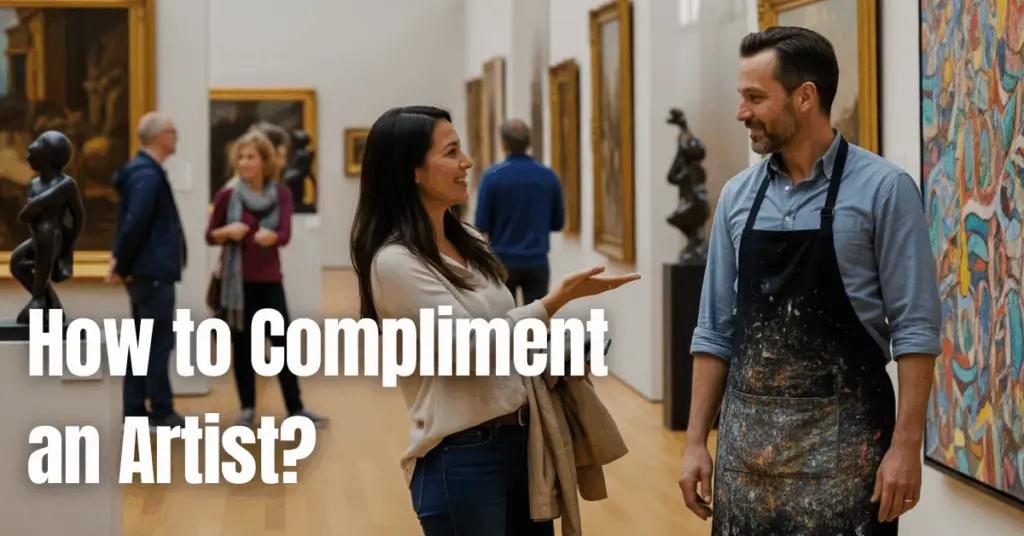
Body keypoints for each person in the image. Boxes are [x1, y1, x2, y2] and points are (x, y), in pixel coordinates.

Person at [678, 26, 941, 535]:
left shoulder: (884, 191)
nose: (741, 113)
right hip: (746, 460)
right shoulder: (736, 197)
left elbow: (916, 330)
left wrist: (907, 447)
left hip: (848, 459)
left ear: (804, 98)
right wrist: (694, 442)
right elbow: (713, 330)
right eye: (741, 97)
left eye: (756, 97)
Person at [349, 106, 639, 535]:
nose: (466, 162)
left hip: (522, 444)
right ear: (411, 170)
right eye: (451, 151)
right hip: (462, 458)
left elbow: (501, 330)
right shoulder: (395, 262)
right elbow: (466, 349)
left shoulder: (468, 243)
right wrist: (552, 303)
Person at [205, 130, 327, 428]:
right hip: (237, 287)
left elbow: (285, 235)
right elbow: (210, 235)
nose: (246, 163)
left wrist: (272, 237)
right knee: (244, 347)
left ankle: (296, 408)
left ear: (265, 161)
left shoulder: (280, 194)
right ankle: (247, 409)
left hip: (270, 282)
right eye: (242, 157)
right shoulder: (227, 196)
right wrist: (227, 232)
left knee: (283, 345)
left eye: (252, 157)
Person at [108, 111, 187, 429]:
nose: (176, 136)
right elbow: (134, 223)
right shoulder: (148, 175)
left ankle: (135, 409)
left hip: (145, 270)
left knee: (141, 341)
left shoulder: (141, 171)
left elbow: (132, 224)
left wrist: (121, 264)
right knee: (156, 342)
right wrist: (121, 264)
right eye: (173, 130)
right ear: (160, 136)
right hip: (152, 270)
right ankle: (161, 410)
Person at [474, 119, 565, 305]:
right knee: (537, 323)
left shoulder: (492, 177)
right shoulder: (548, 177)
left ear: (503, 144)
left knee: (505, 323)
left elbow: (482, 223)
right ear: (529, 143)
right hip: (537, 261)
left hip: (502, 262)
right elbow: (558, 223)